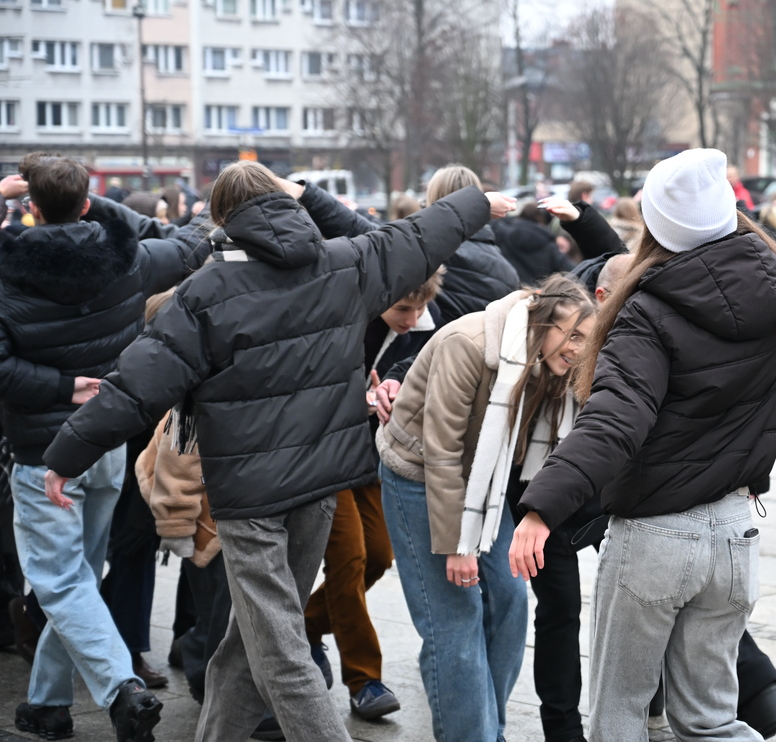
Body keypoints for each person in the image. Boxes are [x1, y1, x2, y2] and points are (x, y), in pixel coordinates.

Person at [40, 160, 513, 742]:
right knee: (248, 648)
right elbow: (413, 237)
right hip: (319, 488)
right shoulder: (344, 264)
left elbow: (137, 387)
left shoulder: (205, 292)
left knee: (281, 653)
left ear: (222, 218)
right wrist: (474, 205)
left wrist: (65, 455)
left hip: (251, 500)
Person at [510, 148, 776, 741]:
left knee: (618, 717)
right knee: (709, 723)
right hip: (736, 534)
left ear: (654, 227)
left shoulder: (645, 310)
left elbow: (614, 420)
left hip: (656, 536)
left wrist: (540, 507)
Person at [1, 153, 210, 742]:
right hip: (105, 442)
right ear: (90, 202)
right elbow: (188, 240)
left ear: (30, 208)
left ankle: (122, 690)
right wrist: (93, 204)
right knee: (79, 577)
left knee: (64, 582)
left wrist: (7, 194)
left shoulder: (6, 269)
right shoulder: (132, 259)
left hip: (44, 455)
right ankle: (46, 704)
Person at [374, 273, 596, 742]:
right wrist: (459, 543)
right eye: (572, 334)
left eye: (585, 339)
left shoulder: (549, 365)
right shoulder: (468, 342)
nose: (577, 349)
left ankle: (485, 728)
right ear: (540, 317)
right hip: (419, 476)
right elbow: (442, 452)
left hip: (487, 484)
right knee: (455, 622)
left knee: (511, 601)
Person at [303, 269, 448, 722]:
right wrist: (359, 396)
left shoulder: (427, 324)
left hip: (372, 456)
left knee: (380, 556)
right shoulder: (346, 319)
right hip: (325, 456)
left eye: (420, 307)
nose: (413, 317)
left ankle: (301, 628)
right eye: (403, 308)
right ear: (379, 299)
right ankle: (364, 680)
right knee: (348, 558)